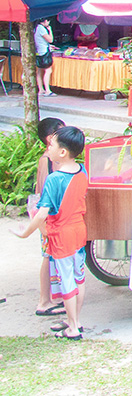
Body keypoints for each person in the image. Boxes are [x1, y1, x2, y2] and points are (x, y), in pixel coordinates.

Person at [12, 125, 88, 339]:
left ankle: (72, 328)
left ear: (62, 152)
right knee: (79, 277)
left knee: (66, 280)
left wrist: (25, 232)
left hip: (61, 234)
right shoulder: (82, 171)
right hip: (78, 230)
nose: (48, 150)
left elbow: (42, 212)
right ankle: (76, 321)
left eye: (51, 145)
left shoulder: (55, 179)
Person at [32, 117, 66, 318]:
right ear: (49, 138)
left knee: (51, 256)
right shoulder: (46, 160)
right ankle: (44, 301)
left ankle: (52, 298)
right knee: (47, 256)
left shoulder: (54, 159)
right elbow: (44, 191)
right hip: (48, 216)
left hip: (54, 215)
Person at [33, 17, 55, 97]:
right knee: (48, 71)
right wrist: (50, 31)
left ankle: (41, 89)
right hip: (44, 52)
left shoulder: (36, 28)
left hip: (38, 51)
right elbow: (50, 39)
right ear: (45, 21)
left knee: (39, 71)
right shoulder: (41, 29)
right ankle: (47, 90)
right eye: (48, 21)